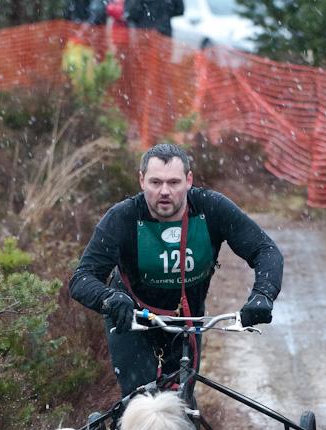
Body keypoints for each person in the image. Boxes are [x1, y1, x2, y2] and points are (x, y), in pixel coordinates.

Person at [69, 143, 283, 397]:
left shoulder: (211, 209)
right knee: (139, 399)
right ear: (141, 181)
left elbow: (266, 251)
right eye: (155, 182)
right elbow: (82, 278)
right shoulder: (123, 218)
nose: (164, 192)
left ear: (189, 180)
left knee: (180, 400)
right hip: (132, 319)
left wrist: (263, 295)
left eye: (174, 182)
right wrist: (109, 299)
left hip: (188, 319)